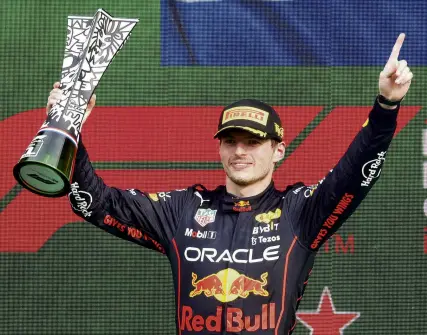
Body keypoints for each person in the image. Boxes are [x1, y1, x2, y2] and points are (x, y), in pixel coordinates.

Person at [47, 33, 412, 334]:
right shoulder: (183, 209)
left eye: (253, 142)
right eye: (230, 141)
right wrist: (69, 124)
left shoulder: (300, 212)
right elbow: (94, 202)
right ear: (219, 147)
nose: (240, 151)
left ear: (279, 150)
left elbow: (353, 174)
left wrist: (386, 107)